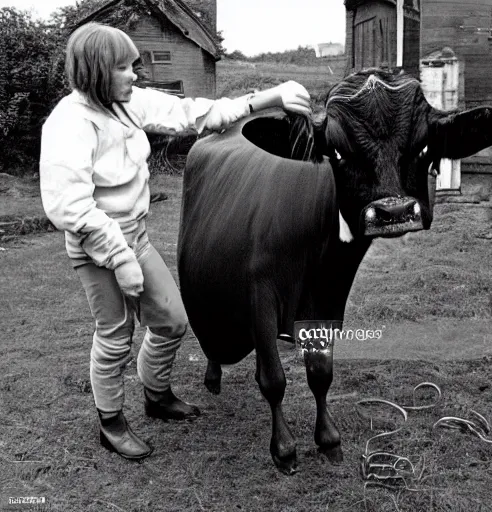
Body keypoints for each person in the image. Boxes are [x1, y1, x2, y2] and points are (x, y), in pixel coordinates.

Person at [39, 22, 311, 461]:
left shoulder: (125, 105)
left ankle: (156, 393)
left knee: (171, 320)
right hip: (97, 249)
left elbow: (195, 113)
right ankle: (111, 424)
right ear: (94, 71)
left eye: (134, 66)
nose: (135, 76)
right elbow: (68, 206)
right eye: (124, 68)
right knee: (115, 335)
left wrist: (269, 97)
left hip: (136, 237)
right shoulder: (69, 123)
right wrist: (119, 259)